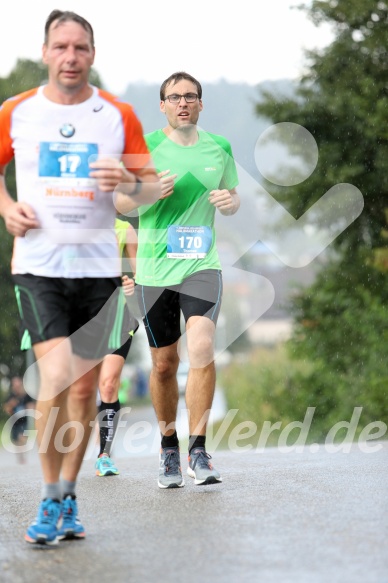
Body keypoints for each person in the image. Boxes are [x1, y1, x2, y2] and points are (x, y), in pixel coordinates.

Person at [0, 10, 159, 545]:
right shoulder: (16, 112)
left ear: (93, 54)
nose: (71, 57)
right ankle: (48, 498)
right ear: (46, 52)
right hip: (40, 266)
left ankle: (69, 493)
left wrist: (128, 184)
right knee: (55, 377)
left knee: (86, 386)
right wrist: (5, 205)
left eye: (81, 48)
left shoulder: (117, 115)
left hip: (98, 268)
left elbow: (152, 188)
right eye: (61, 47)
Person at [120, 71, 240, 488]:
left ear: (201, 104)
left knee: (203, 346)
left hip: (201, 265)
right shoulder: (146, 147)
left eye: (190, 96)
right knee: (164, 363)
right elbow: (119, 198)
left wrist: (230, 202)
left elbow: (232, 196)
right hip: (154, 271)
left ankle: (199, 449)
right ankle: (169, 446)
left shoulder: (219, 147)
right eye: (175, 97)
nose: (183, 103)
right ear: (163, 105)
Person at [95, 217, 138, 477]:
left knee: (108, 383)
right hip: (82, 315)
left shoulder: (124, 229)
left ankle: (104, 455)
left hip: (119, 313)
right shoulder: (77, 223)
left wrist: (134, 284)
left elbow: (142, 273)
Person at [2, 376, 35, 464]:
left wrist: (29, 407)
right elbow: (6, 409)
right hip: (14, 422)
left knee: (22, 438)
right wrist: (11, 405)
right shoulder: (11, 396)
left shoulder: (26, 395)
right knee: (16, 441)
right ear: (13, 386)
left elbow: (32, 405)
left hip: (24, 421)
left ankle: (23, 457)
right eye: (15, 384)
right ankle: (20, 457)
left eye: (18, 384)